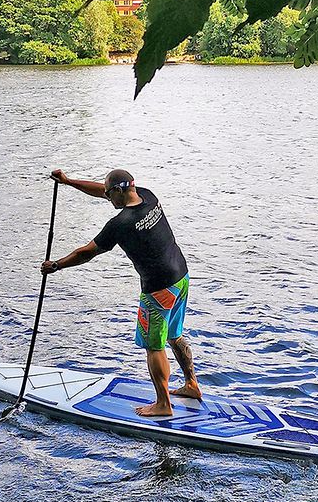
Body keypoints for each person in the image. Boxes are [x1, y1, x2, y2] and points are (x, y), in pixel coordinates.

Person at [40, 169, 200, 417]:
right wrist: (69, 182)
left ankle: (163, 404)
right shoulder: (148, 196)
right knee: (174, 335)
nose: (106, 198)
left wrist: (57, 265)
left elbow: (87, 253)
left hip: (158, 289)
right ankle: (191, 385)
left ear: (118, 191)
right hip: (181, 277)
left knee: (153, 346)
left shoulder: (120, 225)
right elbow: (102, 191)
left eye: (108, 193)